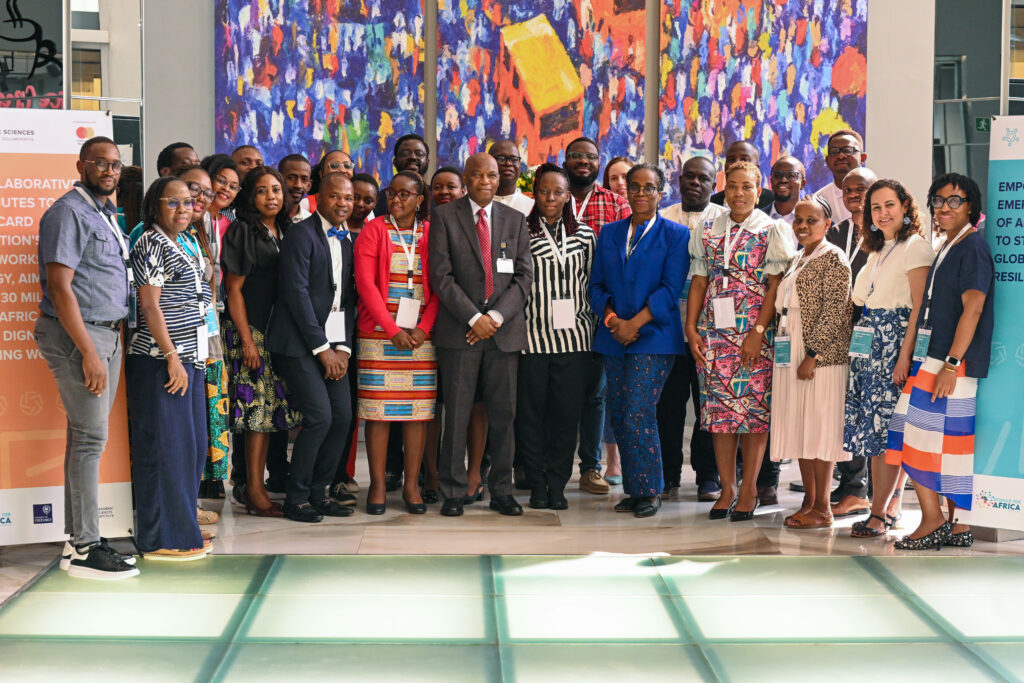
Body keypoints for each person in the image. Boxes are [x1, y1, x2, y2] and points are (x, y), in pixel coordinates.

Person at [35, 136, 139, 579]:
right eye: (100, 163)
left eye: (115, 164)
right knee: (90, 440)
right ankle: (84, 546)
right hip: (81, 338)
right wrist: (88, 353)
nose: (110, 171)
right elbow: (60, 288)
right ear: (81, 165)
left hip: (106, 335)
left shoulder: (103, 212)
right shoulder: (67, 213)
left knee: (85, 438)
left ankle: (79, 539)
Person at [886, 173, 993, 550]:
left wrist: (950, 364)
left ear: (971, 208)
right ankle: (957, 525)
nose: (944, 208)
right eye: (939, 200)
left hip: (949, 364)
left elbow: (974, 308)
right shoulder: (950, 244)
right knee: (937, 443)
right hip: (933, 359)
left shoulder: (972, 248)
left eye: (954, 201)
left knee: (921, 440)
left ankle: (932, 522)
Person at [686, 161, 796, 522]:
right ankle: (727, 488)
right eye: (732, 186)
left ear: (759, 189)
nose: (738, 194)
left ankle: (749, 488)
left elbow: (776, 284)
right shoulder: (707, 228)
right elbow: (700, 280)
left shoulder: (772, 230)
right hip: (714, 334)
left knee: (751, 414)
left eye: (746, 187)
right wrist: (691, 329)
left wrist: (758, 332)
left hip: (754, 335)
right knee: (719, 414)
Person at [428, 153, 533, 517]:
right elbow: (441, 277)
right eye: (477, 175)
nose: (485, 181)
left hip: (503, 334)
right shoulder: (444, 217)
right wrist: (474, 317)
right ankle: (454, 491)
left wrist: (495, 316)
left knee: (503, 415)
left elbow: (524, 278)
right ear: (466, 178)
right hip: (460, 333)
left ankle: (502, 490)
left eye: (491, 174)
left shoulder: (516, 220)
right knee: (455, 414)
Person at [590, 163, 689, 518]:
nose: (641, 193)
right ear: (626, 192)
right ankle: (634, 488)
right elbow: (596, 286)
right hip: (614, 335)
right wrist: (615, 321)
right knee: (619, 413)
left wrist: (636, 323)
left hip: (655, 337)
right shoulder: (610, 233)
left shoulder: (676, 235)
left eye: (649, 187)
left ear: (661, 193)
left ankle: (650, 489)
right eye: (635, 187)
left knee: (638, 411)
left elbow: (670, 289)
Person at [126, 176, 212, 560]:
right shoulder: (150, 242)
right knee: (167, 450)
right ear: (155, 205)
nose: (182, 210)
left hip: (191, 357)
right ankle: (163, 537)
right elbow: (150, 307)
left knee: (191, 449)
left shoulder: (186, 242)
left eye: (187, 202)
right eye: (172, 203)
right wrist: (172, 355)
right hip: (161, 361)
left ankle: (182, 528)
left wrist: (197, 354)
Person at [266, 173, 358, 523]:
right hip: (297, 344)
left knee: (343, 418)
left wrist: (344, 348)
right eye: (335, 197)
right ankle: (297, 497)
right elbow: (296, 295)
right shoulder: (300, 235)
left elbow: (346, 299)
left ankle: (319, 493)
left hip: (334, 344)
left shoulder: (347, 240)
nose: (343, 204)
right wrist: (322, 349)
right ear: (319, 198)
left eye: (347, 198)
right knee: (319, 417)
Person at [843, 179, 933, 537]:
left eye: (889, 205)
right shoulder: (878, 249)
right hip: (869, 345)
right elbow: (863, 301)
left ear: (905, 207)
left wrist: (903, 357)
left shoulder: (915, 247)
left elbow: (917, 310)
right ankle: (884, 507)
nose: (883, 213)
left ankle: (878, 513)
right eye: (875, 208)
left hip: (894, 345)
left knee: (886, 435)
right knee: (874, 434)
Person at [354, 170, 440, 515]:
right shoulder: (374, 230)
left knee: (417, 413)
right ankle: (376, 485)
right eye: (392, 193)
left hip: (421, 339)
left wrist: (422, 329)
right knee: (378, 412)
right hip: (378, 336)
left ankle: (411, 485)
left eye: (405, 194)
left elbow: (440, 287)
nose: (397, 199)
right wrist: (392, 329)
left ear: (420, 200)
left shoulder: (432, 233)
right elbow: (366, 285)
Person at [222, 167, 303, 516]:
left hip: (279, 334)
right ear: (250, 197)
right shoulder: (243, 230)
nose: (272, 196)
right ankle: (254, 491)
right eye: (262, 190)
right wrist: (248, 342)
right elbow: (233, 290)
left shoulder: (286, 230)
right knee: (256, 413)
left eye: (276, 189)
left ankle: (261, 485)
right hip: (251, 332)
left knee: (271, 414)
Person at [516, 164, 597, 509]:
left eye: (558, 192)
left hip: (575, 342)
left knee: (567, 417)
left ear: (568, 196)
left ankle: (558, 482)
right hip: (531, 340)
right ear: (535, 193)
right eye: (544, 191)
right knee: (532, 416)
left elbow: (593, 285)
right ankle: (536, 483)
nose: (551, 198)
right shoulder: (520, 232)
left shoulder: (587, 236)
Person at [770, 197, 853, 529]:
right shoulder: (797, 257)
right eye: (798, 220)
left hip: (820, 356)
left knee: (820, 429)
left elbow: (836, 312)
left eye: (811, 221)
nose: (802, 226)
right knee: (801, 428)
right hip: (791, 348)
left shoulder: (834, 258)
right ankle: (809, 501)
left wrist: (812, 355)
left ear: (827, 224)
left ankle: (823, 507)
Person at [659, 156, 727, 501]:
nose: (694, 183)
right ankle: (669, 473)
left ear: (714, 186)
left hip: (710, 331)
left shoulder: (724, 222)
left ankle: (708, 476)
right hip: (668, 328)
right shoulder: (663, 218)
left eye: (703, 179)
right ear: (678, 179)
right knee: (668, 405)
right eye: (689, 177)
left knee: (707, 406)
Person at [564, 136, 629, 496]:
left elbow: (622, 261)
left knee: (595, 393)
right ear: (566, 160)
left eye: (589, 157)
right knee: (554, 392)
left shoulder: (616, 205)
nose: (582, 162)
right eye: (576, 156)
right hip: (553, 314)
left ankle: (591, 468)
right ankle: (547, 465)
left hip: (599, 312)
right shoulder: (552, 196)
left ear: (597, 161)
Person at [178, 167, 231, 507]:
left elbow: (208, 294)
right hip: (177, 345)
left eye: (207, 194)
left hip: (208, 340)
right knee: (183, 427)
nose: (201, 198)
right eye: (193, 189)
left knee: (205, 425)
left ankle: (194, 505)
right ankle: (184, 506)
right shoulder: (154, 233)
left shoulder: (197, 234)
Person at [825, 166, 877, 510]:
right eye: (848, 189)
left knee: (868, 411)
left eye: (862, 188)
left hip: (873, 333)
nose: (854, 194)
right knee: (843, 410)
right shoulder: (835, 232)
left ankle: (864, 490)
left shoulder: (884, 233)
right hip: (839, 334)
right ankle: (851, 485)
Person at [329, 171, 382, 501]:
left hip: (368, 331)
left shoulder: (379, 232)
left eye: (366, 200)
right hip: (333, 335)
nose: (358, 205)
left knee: (358, 411)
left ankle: (344, 473)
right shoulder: (329, 234)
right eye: (353, 197)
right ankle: (336, 475)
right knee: (339, 410)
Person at [815, 129, 866, 225]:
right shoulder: (818, 200)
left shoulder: (877, 194)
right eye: (834, 151)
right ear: (827, 160)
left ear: (862, 158)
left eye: (848, 150)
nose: (841, 156)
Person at [374, 134, 431, 217]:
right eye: (405, 154)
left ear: (427, 161)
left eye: (419, 154)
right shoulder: (380, 199)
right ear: (395, 162)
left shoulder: (436, 197)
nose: (413, 157)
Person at [709, 141, 775, 210]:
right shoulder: (712, 204)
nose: (737, 163)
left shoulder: (773, 201)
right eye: (731, 160)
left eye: (744, 160)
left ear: (757, 168)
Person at [489, 140, 535, 215]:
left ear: (520, 164)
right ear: (488, 162)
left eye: (514, 159)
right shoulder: (476, 203)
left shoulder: (532, 207)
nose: (508, 163)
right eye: (501, 158)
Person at [768, 156, 806, 246]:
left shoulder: (817, 222)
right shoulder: (756, 219)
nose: (783, 180)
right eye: (777, 175)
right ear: (771, 181)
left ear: (802, 184)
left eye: (792, 175)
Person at [279, 154, 313, 222]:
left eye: (304, 180)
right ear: (278, 179)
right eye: (291, 178)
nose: (298, 185)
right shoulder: (267, 218)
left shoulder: (311, 222)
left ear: (309, 186)